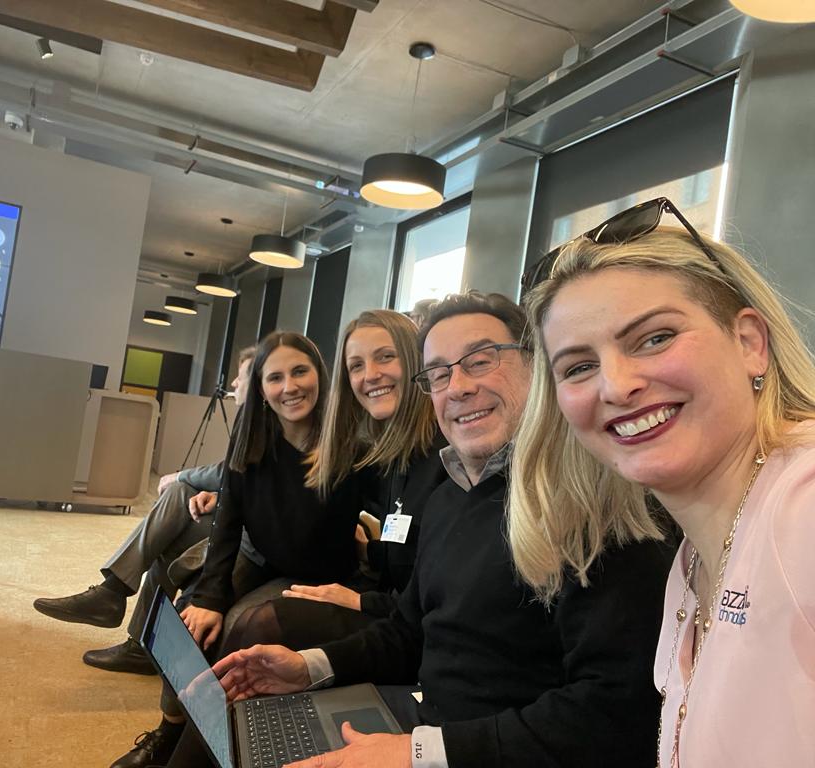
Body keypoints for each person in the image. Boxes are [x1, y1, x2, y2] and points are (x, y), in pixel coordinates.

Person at [203, 292, 674, 768]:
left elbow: (615, 716)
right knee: (245, 724)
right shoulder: (451, 497)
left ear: (538, 365)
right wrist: (309, 669)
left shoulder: (600, 503)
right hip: (427, 723)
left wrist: (418, 752)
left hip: (478, 749)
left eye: (480, 360)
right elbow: (409, 633)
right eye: (440, 374)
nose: (459, 388)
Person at [509, 198, 815, 767]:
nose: (617, 386)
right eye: (578, 367)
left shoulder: (804, 503)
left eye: (654, 338)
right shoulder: (690, 563)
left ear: (750, 342)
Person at [111, 331, 366, 768]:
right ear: (262, 389)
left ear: (320, 375)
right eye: (275, 377)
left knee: (235, 629)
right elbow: (228, 523)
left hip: (312, 575)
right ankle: (169, 731)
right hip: (259, 554)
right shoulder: (252, 438)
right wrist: (210, 596)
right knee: (192, 615)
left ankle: (209, 744)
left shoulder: (349, 442)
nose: (290, 387)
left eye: (300, 371)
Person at [225, 309, 447, 649]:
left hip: (410, 626)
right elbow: (404, 544)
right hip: (389, 602)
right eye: (356, 366)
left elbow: (440, 590)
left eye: (385, 357)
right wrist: (371, 550)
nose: (370, 375)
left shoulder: (442, 456)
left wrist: (363, 600)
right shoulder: (391, 455)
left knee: (260, 625)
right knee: (232, 623)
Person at [33, 346, 255, 674]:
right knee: (178, 501)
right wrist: (215, 494)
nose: (234, 382)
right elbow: (246, 478)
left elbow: (234, 474)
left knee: (175, 504)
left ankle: (116, 599)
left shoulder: (274, 425)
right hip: (240, 517)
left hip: (252, 535)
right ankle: (118, 603)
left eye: (243, 374)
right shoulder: (254, 423)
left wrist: (183, 475)